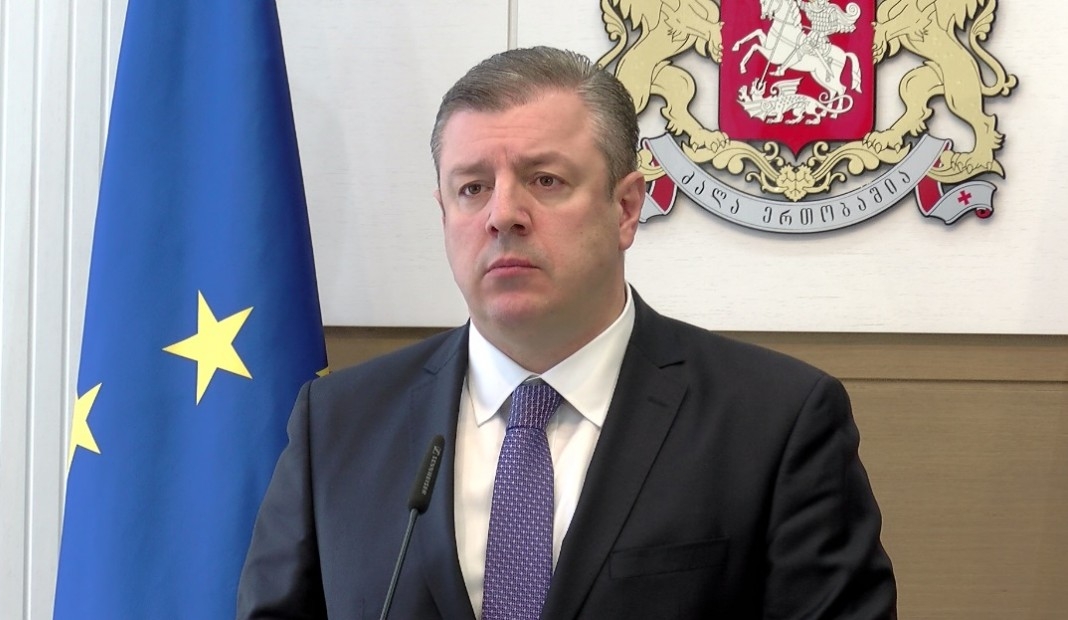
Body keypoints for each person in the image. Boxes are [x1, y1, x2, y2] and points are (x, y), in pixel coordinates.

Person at [237, 46, 897, 619]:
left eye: (545, 180)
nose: (503, 215)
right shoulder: (338, 423)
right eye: (472, 188)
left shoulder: (774, 421)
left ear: (626, 208)